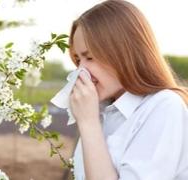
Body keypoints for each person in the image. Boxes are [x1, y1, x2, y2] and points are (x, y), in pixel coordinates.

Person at [68, 0, 188, 179]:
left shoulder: (163, 107)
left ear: (125, 52)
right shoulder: (101, 112)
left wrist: (88, 123)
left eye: (90, 58)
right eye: (78, 60)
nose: (81, 71)